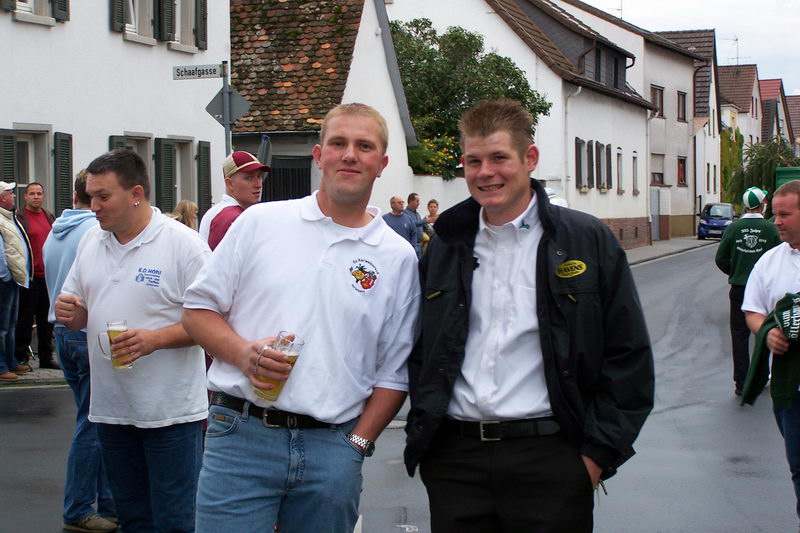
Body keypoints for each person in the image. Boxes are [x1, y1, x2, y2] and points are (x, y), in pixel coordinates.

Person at [404, 99, 654, 533]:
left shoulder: (585, 240)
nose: (486, 173)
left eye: (499, 157)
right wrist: (431, 445)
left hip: (551, 460)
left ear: (530, 158)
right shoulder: (446, 243)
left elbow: (628, 357)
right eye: (474, 160)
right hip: (456, 463)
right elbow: (421, 346)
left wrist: (594, 458)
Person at [182, 103, 420, 533]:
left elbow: (395, 370)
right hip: (241, 436)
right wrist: (243, 354)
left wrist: (357, 445)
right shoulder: (260, 222)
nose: (350, 154)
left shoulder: (398, 257)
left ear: (381, 164)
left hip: (333, 447)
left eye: (364, 146)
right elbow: (197, 311)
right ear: (319, 154)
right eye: (339, 143)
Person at [54, 149, 210, 533]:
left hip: (170, 414)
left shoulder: (183, 245)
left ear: (136, 193)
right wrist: (74, 314)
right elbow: (83, 308)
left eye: (103, 196)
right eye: (90, 196)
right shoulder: (92, 240)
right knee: (132, 519)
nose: (93, 206)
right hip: (111, 409)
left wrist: (155, 339)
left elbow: (214, 323)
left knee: (175, 521)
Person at [43, 170, 116, 533]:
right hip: (84, 329)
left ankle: (108, 502)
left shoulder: (55, 233)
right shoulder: (95, 233)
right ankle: (78, 509)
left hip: (61, 330)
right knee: (91, 423)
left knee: (93, 420)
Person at [741, 180, 800, 530]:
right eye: (775, 213)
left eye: (784, 215)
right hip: (790, 387)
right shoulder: (770, 262)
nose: (775, 221)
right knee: (798, 463)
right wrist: (769, 333)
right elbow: (752, 310)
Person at [715, 186, 780, 395]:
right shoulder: (770, 229)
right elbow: (780, 258)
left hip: (739, 288)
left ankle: (741, 383)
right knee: (766, 332)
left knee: (739, 336)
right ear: (762, 204)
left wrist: (735, 272)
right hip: (765, 291)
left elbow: (720, 259)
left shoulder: (734, 228)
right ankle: (764, 377)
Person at [15, 181, 57, 369]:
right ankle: (21, 356)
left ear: (43, 196)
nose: (36, 197)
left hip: (47, 276)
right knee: (25, 318)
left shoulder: (49, 216)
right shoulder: (20, 217)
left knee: (46, 320)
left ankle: (46, 358)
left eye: (39, 193)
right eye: (32, 193)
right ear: (25, 197)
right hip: (30, 276)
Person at [198, 151, 268, 242]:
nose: (258, 184)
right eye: (248, 178)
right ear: (230, 183)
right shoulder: (233, 216)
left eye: (259, 176)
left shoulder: (217, 211)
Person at [0, 181, 31, 382]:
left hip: (14, 278)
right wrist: (5, 276)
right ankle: (2, 366)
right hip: (5, 280)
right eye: (10, 193)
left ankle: (10, 361)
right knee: (2, 327)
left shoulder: (9, 218)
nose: (13, 196)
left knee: (11, 324)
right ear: (2, 197)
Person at [404, 192, 425, 258]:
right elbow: (412, 224)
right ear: (411, 201)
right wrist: (426, 221)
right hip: (412, 244)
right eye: (417, 201)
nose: (419, 203)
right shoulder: (405, 213)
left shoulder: (417, 214)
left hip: (420, 244)